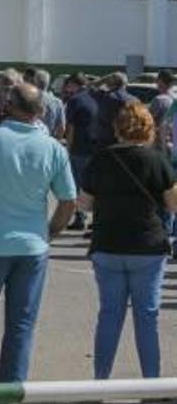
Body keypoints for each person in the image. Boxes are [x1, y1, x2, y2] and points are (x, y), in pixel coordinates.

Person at [0, 84, 76, 384]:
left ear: (7, 106)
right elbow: (68, 200)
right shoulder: (53, 148)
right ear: (41, 111)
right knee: (21, 325)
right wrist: (50, 232)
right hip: (32, 246)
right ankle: (11, 389)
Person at [78, 102, 177, 380]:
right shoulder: (157, 160)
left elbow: (84, 204)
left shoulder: (101, 159)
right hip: (147, 245)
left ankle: (100, 381)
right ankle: (151, 382)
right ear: (148, 128)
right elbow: (173, 205)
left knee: (109, 314)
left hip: (107, 243)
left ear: (117, 128)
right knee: (147, 316)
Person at [64, 73, 99, 231]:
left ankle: (80, 218)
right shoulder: (96, 96)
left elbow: (70, 127)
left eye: (68, 85)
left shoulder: (74, 100)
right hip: (97, 147)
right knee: (95, 184)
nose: (67, 88)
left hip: (79, 148)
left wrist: (68, 147)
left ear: (74, 84)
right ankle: (96, 219)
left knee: (78, 185)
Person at [90, 72, 136, 149]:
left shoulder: (105, 97)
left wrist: (103, 80)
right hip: (128, 141)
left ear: (109, 84)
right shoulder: (134, 99)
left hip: (106, 141)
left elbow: (90, 86)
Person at [24, 69, 65, 139]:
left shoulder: (30, 99)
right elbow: (62, 128)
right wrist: (55, 141)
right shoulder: (57, 102)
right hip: (49, 139)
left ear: (35, 81)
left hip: (32, 138)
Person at [150, 69, 176, 153]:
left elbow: (147, 122)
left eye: (157, 80)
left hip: (160, 145)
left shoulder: (159, 100)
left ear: (160, 81)